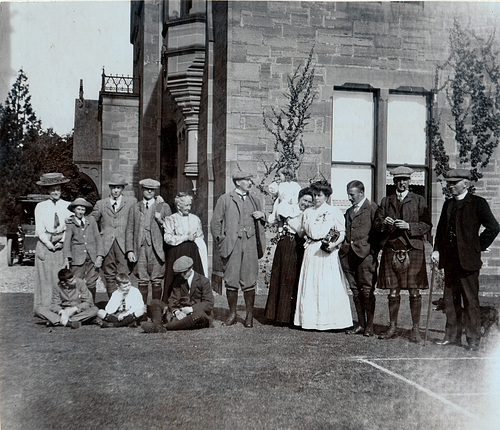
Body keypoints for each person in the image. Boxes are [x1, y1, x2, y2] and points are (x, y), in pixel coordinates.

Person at [432, 169, 499, 350]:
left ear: (466, 184)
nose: (450, 187)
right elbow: (440, 232)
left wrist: (478, 246)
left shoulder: (478, 203)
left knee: (470, 301)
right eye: (449, 184)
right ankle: (452, 336)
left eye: (454, 183)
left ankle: (473, 338)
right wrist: (436, 251)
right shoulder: (448, 205)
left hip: (468, 261)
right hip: (450, 261)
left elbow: (493, 227)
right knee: (450, 300)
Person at [374, 166, 431, 343]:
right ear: (394, 181)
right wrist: (384, 222)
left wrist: (409, 227)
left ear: (409, 181)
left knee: (414, 291)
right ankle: (392, 326)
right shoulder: (386, 201)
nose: (402, 183)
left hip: (413, 249)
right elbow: (376, 225)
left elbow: (427, 224)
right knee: (393, 291)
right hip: (391, 249)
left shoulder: (419, 200)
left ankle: (415, 330)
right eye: (398, 180)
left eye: (405, 180)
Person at [294, 181, 353, 331]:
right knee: (311, 284)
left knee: (327, 284)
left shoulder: (334, 211)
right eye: (314, 195)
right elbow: (302, 231)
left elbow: (341, 232)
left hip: (327, 252)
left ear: (326, 196)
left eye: (319, 195)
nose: (316, 198)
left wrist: (333, 245)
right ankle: (310, 321)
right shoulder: (307, 212)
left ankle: (331, 322)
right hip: (311, 251)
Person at [210, 171, 267, 328]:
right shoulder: (225, 199)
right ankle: (232, 313)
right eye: (246, 180)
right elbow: (215, 223)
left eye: (250, 179)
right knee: (231, 279)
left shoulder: (255, 200)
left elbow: (262, 223)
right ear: (237, 182)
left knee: (249, 280)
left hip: (250, 244)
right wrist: (222, 241)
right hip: (232, 245)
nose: (250, 182)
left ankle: (249, 315)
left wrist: (262, 215)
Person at [264, 187, 314, 325]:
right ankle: (280, 316)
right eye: (305, 200)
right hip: (288, 243)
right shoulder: (291, 210)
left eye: (310, 202)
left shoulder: (309, 213)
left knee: (298, 278)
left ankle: (293, 316)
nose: (306, 204)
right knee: (285, 277)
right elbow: (298, 230)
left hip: (300, 245)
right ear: (299, 199)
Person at [339, 180, 379, 336]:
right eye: (348, 194)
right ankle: (361, 324)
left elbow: (379, 233)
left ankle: (370, 325)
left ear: (361, 193)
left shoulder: (373, 209)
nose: (349, 197)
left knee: (367, 290)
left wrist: (372, 251)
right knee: (355, 291)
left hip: (366, 257)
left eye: (352, 194)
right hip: (348, 255)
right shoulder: (349, 211)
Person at [91, 173, 137, 298]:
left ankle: (125, 303)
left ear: (123, 188)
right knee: (109, 275)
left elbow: (138, 218)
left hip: (124, 244)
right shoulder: (101, 203)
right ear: (110, 188)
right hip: (106, 244)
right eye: (113, 187)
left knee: (124, 274)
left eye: (119, 187)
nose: (116, 190)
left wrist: (159, 202)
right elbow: (92, 221)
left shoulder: (131, 202)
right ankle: (113, 302)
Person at [126, 178, 172, 304]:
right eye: (147, 189)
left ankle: (155, 310)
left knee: (157, 280)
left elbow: (170, 228)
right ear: (142, 190)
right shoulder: (135, 208)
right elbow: (129, 230)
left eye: (152, 189)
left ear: (155, 190)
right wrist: (130, 250)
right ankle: (143, 310)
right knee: (142, 280)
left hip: (157, 249)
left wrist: (160, 220)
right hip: (140, 249)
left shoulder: (163, 207)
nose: (149, 191)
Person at [142, 256, 214, 332]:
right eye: (180, 273)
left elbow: (209, 303)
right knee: (155, 302)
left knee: (199, 314)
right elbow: (173, 299)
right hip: (181, 312)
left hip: (195, 314)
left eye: (184, 272)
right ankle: (157, 323)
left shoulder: (203, 281)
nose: (182, 275)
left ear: (191, 268)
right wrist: (176, 311)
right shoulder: (178, 280)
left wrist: (190, 309)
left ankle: (163, 326)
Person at [33, 172, 73, 311]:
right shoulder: (41, 206)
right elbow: (39, 229)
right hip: (45, 244)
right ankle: (45, 308)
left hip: (61, 244)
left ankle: (60, 307)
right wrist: (49, 244)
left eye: (58, 189)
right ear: (48, 190)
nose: (56, 192)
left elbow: (70, 227)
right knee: (45, 278)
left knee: (60, 276)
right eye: (53, 189)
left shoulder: (68, 206)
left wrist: (62, 241)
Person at [162, 192, 207, 301]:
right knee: (176, 279)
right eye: (186, 205)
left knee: (194, 277)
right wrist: (185, 237)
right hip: (177, 252)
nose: (189, 207)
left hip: (192, 252)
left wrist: (195, 239)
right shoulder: (171, 219)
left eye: (190, 205)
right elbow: (168, 238)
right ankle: (173, 303)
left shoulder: (195, 219)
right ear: (178, 206)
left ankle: (195, 302)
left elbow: (200, 236)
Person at [64, 198, 104, 301]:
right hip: (77, 257)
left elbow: (98, 238)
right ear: (74, 210)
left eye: (83, 209)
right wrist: (67, 257)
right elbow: (67, 241)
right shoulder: (70, 223)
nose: (81, 212)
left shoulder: (91, 221)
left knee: (91, 281)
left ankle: (90, 305)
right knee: (77, 280)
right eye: (78, 209)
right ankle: (76, 304)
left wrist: (100, 255)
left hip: (92, 256)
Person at [35, 268, 99, 328]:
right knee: (38, 309)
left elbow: (88, 301)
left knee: (95, 310)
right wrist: (62, 312)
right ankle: (67, 322)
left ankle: (60, 321)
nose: (75, 281)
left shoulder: (80, 282)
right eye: (71, 281)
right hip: (63, 310)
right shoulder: (57, 286)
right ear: (64, 283)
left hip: (78, 311)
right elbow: (55, 304)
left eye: (74, 278)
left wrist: (75, 309)